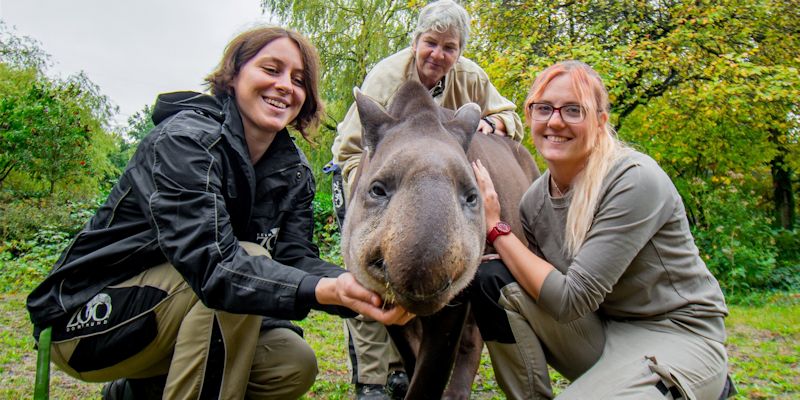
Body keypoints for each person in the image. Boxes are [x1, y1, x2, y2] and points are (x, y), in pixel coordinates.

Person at [26, 26, 413, 400]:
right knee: (246, 265)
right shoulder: (186, 141)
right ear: (233, 75)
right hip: (85, 323)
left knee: (290, 363)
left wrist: (357, 284)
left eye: (299, 80)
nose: (285, 86)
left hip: (168, 321)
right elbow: (214, 268)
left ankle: (141, 391)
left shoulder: (293, 169)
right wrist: (326, 291)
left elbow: (295, 259)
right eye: (271, 69)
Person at [469, 60, 733, 399]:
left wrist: (497, 228)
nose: (555, 121)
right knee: (494, 279)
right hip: (600, 335)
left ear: (600, 121)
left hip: (678, 336)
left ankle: (692, 385)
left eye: (573, 110)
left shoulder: (633, 179)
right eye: (543, 108)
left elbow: (569, 298)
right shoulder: (534, 201)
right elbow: (541, 288)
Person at [329, 1, 525, 398]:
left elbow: (512, 117)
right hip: (368, 171)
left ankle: (419, 366)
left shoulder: (470, 76)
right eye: (431, 43)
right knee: (367, 277)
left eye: (449, 47)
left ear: (460, 52)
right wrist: (370, 200)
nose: (438, 54)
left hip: (438, 184)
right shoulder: (386, 78)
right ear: (416, 41)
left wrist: (493, 122)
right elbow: (349, 148)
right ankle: (372, 377)